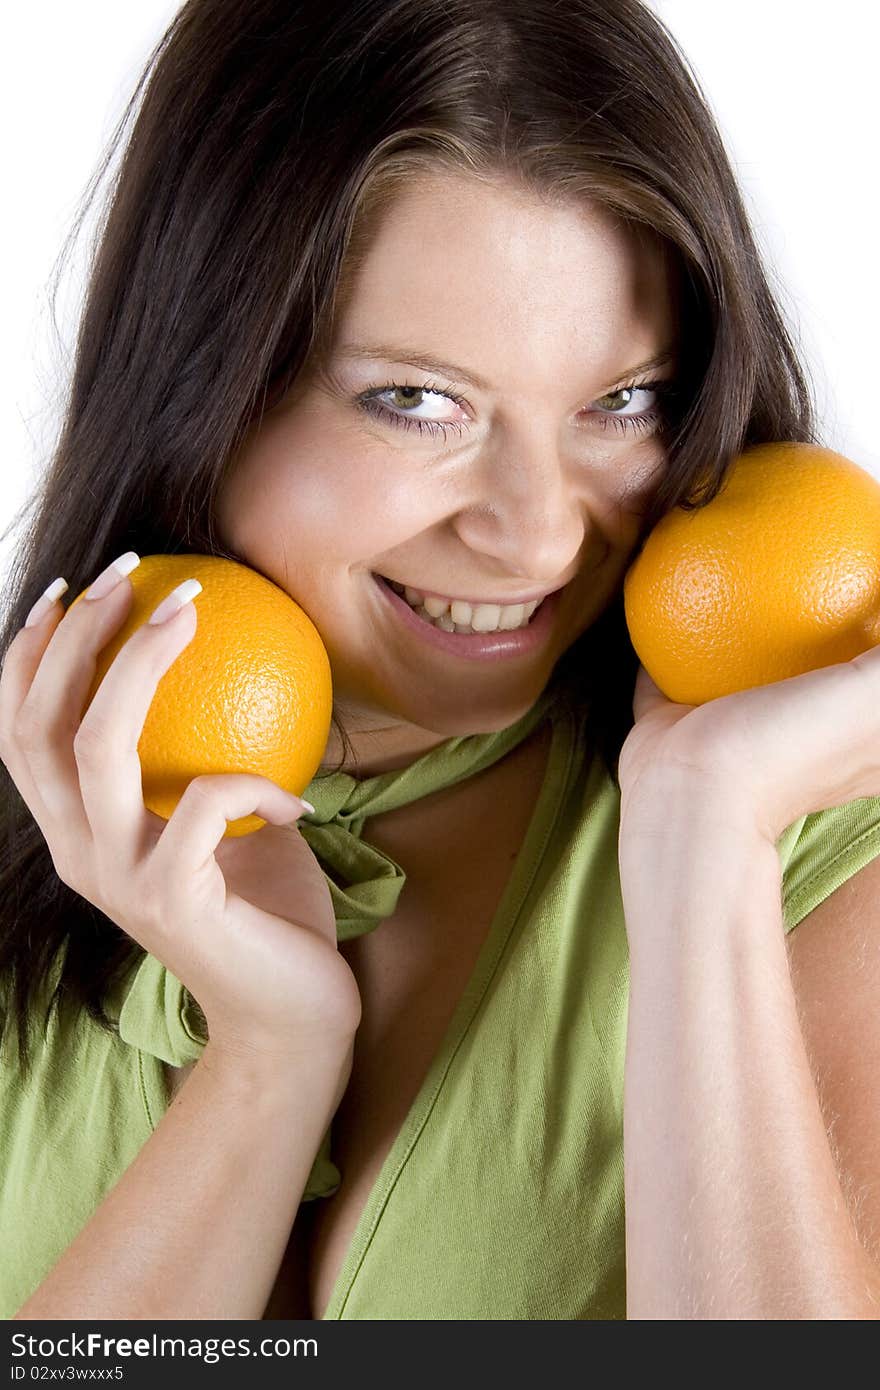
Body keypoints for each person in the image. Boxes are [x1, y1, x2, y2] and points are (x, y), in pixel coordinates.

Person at [1, 0, 879, 1322]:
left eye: (620, 402)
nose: (539, 531)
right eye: (420, 401)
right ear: (200, 385)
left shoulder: (814, 827)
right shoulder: (42, 834)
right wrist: (269, 1059)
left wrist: (707, 851)